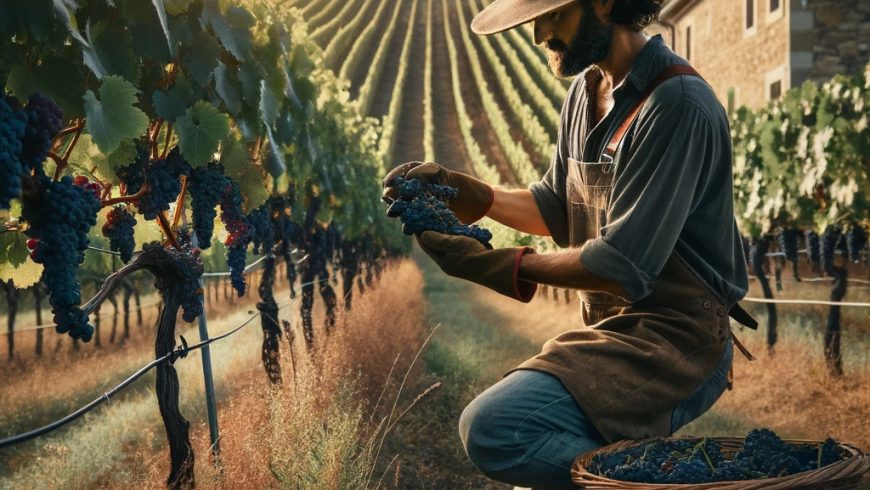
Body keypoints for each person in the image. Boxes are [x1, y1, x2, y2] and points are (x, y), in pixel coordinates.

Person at [382, 0, 757, 488]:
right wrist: (478, 195)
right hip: (614, 330)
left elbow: (621, 265)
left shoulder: (676, 104)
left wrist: (506, 265)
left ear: (603, 3)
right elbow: (557, 206)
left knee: (496, 429)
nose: (539, 35)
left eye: (552, 15)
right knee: (531, 468)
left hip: (676, 339)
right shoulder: (586, 91)